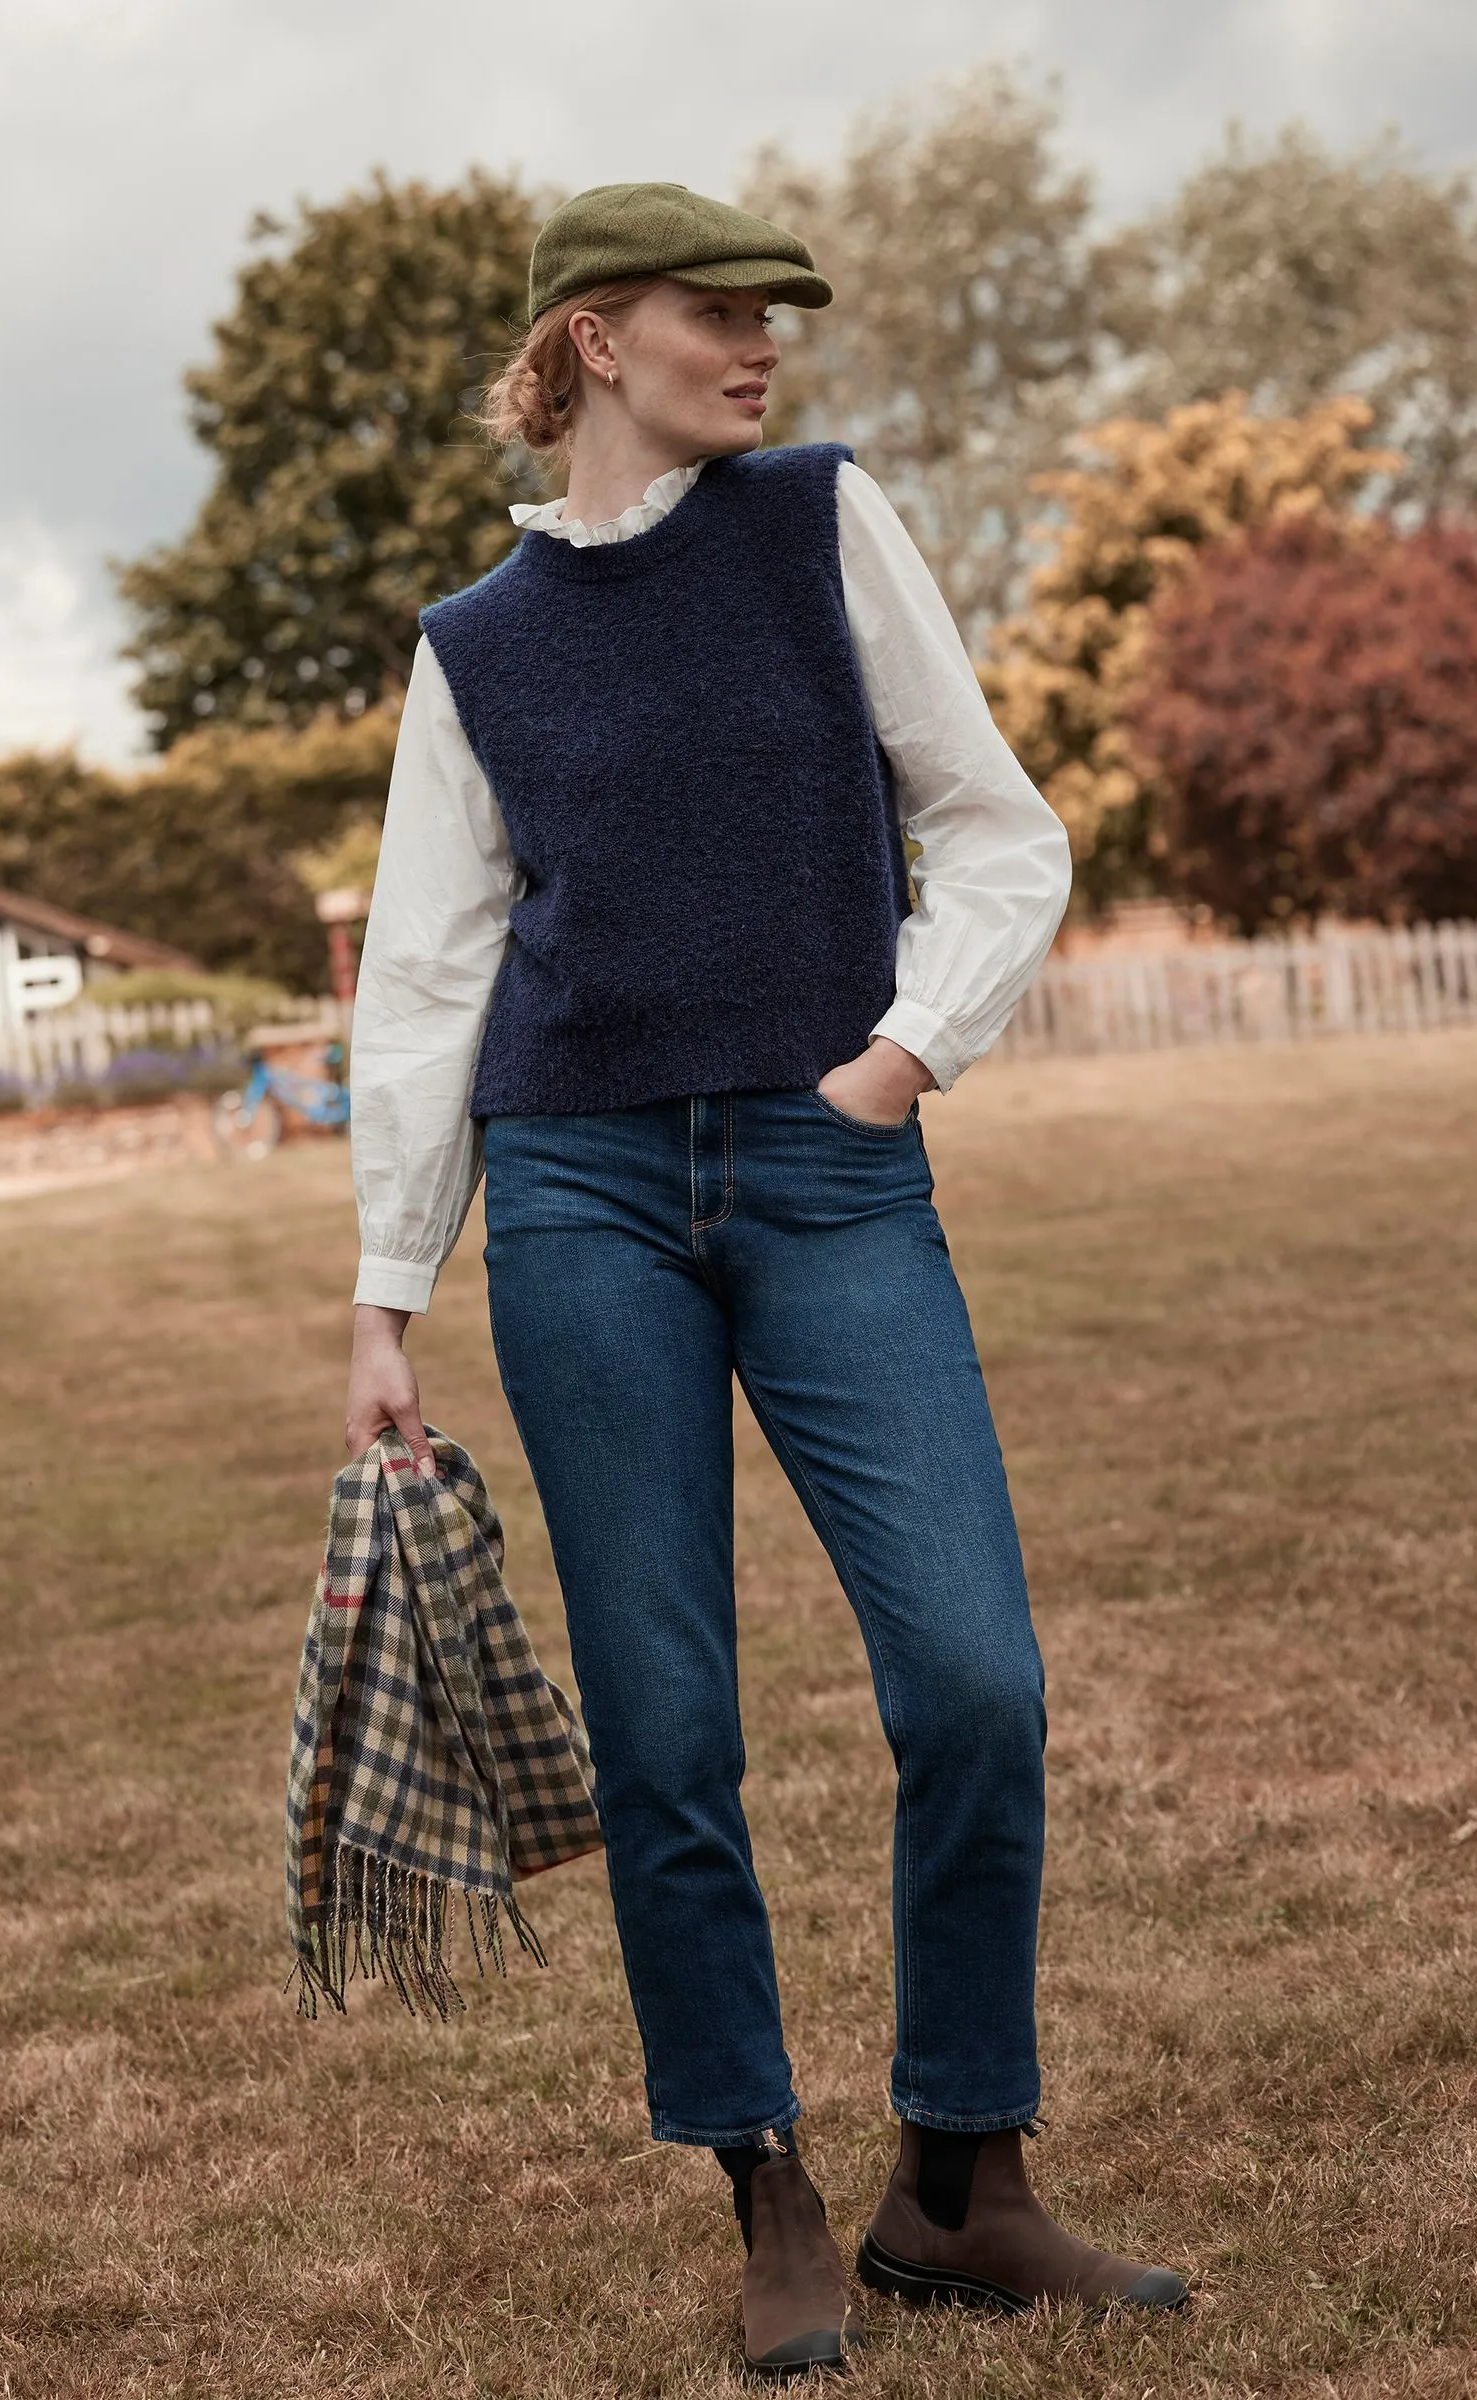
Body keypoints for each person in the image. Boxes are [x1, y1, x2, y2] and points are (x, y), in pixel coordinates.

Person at [343, 182, 1188, 2376]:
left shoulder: (821, 519)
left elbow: (996, 822)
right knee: (669, 1731)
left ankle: (961, 2177)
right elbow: (429, 977)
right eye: (723, 316)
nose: (768, 350)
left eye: (777, 321)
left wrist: (903, 1059)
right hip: (579, 1198)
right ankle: (767, 2183)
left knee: (975, 1682)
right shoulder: (480, 644)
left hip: (829, 1173)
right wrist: (383, 1288)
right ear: (596, 340)